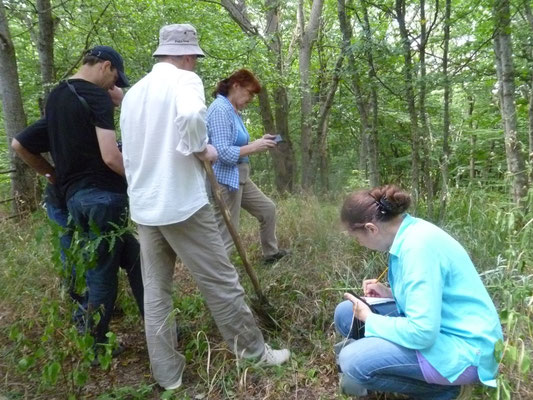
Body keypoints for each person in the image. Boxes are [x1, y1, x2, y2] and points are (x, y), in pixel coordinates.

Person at [120, 23, 290, 391]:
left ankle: (168, 375)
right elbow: (191, 119)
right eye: (195, 58)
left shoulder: (133, 94)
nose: (195, 65)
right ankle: (254, 352)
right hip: (181, 204)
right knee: (222, 282)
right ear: (185, 56)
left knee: (156, 292)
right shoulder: (184, 82)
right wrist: (201, 149)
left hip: (145, 207)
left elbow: (130, 154)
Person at [22, 46, 144, 347]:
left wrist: (54, 176)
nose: (114, 87)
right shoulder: (95, 96)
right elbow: (111, 157)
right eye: (115, 78)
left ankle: (157, 324)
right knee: (102, 275)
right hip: (104, 199)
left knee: (136, 258)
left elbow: (19, 144)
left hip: (77, 200)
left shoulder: (57, 97)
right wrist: (141, 181)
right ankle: (93, 342)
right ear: (105, 66)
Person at [334, 185, 503, 400]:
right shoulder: (408, 232)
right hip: (444, 325)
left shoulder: (418, 248)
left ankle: (445, 390)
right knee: (346, 313)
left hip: (467, 349)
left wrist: (370, 318)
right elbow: (429, 295)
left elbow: (422, 332)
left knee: (352, 360)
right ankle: (395, 364)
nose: (358, 243)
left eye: (356, 237)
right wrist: (388, 293)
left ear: (371, 228)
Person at [12, 86, 125, 305]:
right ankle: (79, 303)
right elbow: (19, 144)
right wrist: (51, 174)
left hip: (83, 196)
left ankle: (97, 304)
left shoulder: (95, 123)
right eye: (112, 103)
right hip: (62, 199)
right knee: (71, 251)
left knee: (98, 251)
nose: (113, 108)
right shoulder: (63, 119)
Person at [206, 69, 289, 264]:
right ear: (236, 85)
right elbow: (222, 153)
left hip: (239, 175)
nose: (251, 98)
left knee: (267, 209)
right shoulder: (220, 109)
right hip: (224, 179)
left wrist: (260, 141)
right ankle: (219, 281)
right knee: (228, 234)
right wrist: (254, 147)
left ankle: (271, 254)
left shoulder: (232, 110)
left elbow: (235, 145)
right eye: (249, 92)